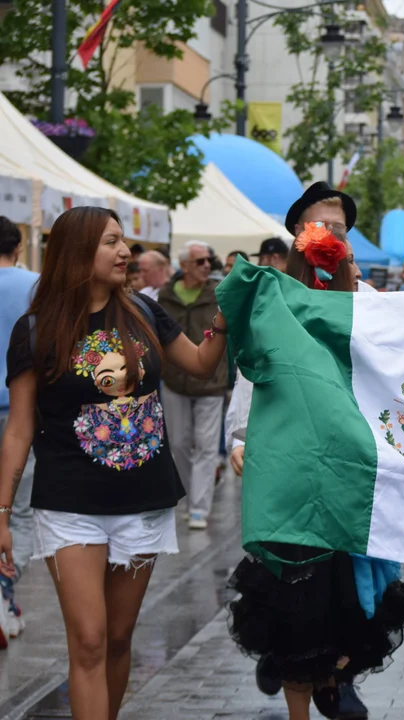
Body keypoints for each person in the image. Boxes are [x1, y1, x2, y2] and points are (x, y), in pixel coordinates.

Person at [0, 206, 227, 720]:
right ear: (79, 251)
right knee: (90, 641)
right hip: (69, 505)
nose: (125, 251)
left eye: (123, 241)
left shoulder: (145, 314)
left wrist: (223, 321)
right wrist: (1, 515)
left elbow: (198, 362)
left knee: (120, 640)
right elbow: (18, 428)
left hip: (142, 502)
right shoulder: (36, 330)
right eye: (111, 242)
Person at [226, 220, 404, 720]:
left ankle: (334, 686)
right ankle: (308, 697)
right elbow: (294, 301)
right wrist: (240, 439)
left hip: (344, 492)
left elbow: (344, 309)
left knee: (341, 618)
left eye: (343, 255)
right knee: (297, 620)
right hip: (292, 495)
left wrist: (336, 259)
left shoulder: (362, 320)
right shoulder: (277, 318)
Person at [157, 240, 229, 531]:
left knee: (206, 445)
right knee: (179, 443)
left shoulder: (218, 294)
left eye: (208, 260)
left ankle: (200, 508)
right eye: (200, 261)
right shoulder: (166, 295)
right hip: (175, 380)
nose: (207, 266)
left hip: (211, 382)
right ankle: (191, 500)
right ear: (184, 264)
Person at [0, 216, 37, 641]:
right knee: (19, 512)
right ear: (19, 245)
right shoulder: (37, 287)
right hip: (25, 415)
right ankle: (5, 588)